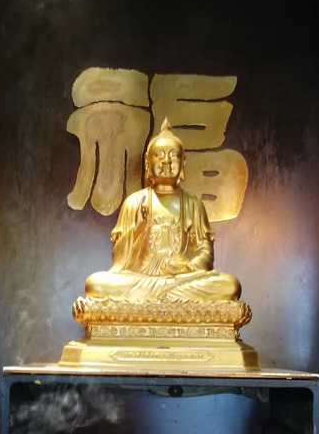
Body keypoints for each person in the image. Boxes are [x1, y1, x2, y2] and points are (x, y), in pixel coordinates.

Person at [85, 119, 241, 302]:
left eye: (173, 155)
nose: (166, 161)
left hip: (181, 281)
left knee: (230, 286)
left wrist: (188, 268)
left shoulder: (193, 204)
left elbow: (205, 251)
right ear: (147, 164)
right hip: (141, 281)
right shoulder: (134, 203)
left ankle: (161, 297)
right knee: (95, 284)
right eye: (159, 155)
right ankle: (165, 297)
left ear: (183, 164)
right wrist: (138, 228)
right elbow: (119, 261)